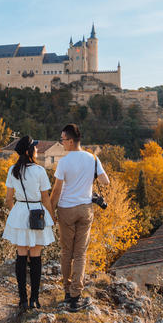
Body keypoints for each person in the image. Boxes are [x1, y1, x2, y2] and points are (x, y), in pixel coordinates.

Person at [50, 123, 110, 311]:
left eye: (62, 139)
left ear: (70, 141)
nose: (62, 143)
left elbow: (57, 190)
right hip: (85, 209)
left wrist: (51, 212)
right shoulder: (92, 158)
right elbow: (105, 181)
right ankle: (77, 295)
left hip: (66, 209)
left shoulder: (64, 162)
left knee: (67, 252)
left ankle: (67, 292)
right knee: (80, 253)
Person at [2, 135, 55, 311]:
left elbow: (9, 199)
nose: (37, 149)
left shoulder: (12, 170)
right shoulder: (39, 171)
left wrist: (16, 214)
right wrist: (52, 218)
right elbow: (46, 199)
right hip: (37, 214)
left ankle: (23, 300)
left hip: (20, 212)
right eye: (35, 147)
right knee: (36, 257)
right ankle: (35, 299)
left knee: (21, 256)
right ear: (28, 151)